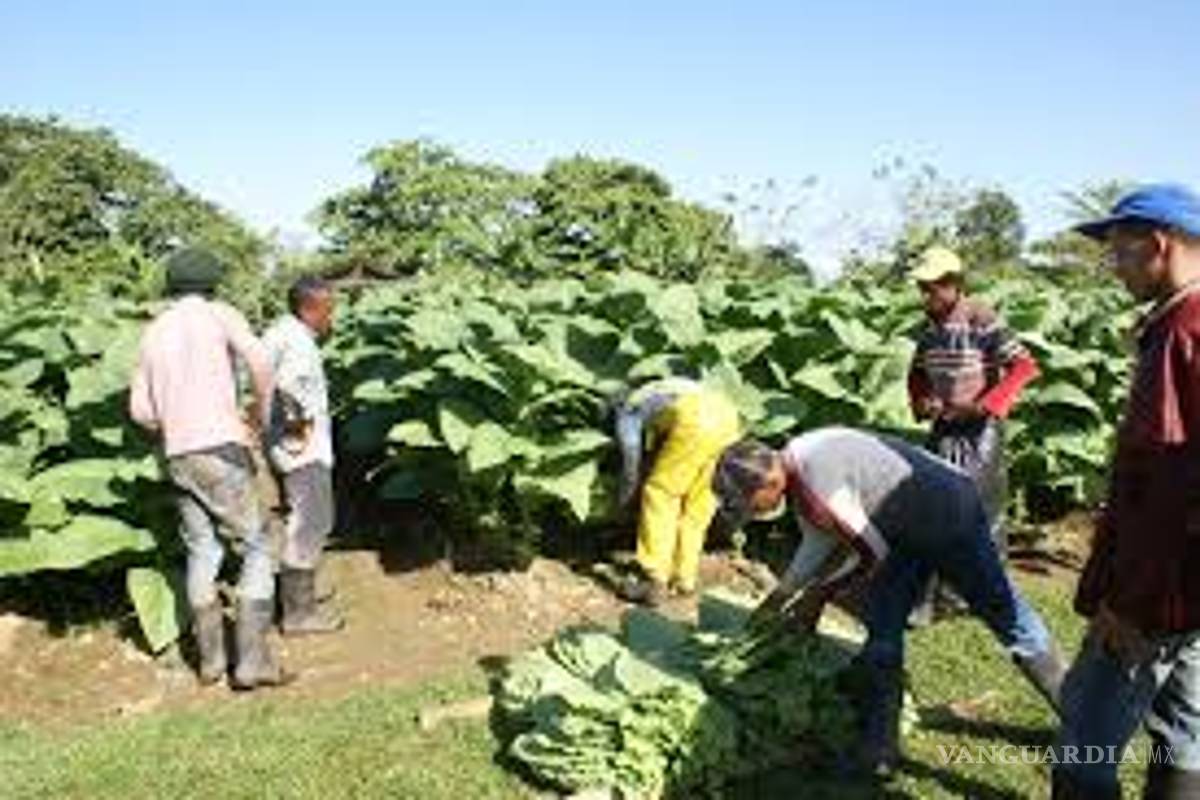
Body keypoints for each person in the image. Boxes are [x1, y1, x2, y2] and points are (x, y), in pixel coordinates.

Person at [712, 427, 1065, 773]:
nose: (752, 513)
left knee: (1004, 613)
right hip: (905, 522)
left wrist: (816, 597)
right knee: (883, 625)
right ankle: (879, 749)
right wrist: (780, 597)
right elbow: (819, 541)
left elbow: (870, 552)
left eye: (749, 505)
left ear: (769, 483)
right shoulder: (798, 459)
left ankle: (1077, 718)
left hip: (948, 509)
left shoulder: (817, 482)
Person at [1053, 184, 1200, 800]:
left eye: (1119, 251)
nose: (1114, 267)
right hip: (1190, 587)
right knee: (1184, 729)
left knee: (1085, 738)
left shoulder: (1182, 333)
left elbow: (1166, 482)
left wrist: (1128, 603)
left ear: (1159, 245)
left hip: (1156, 590)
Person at [129, 247, 293, 690]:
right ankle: (253, 663)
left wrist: (175, 421)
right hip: (220, 447)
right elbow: (260, 362)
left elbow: (141, 410)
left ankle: (211, 661)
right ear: (212, 284)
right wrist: (260, 411)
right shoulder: (220, 315)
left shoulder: (154, 329)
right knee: (257, 544)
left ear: (171, 285)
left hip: (177, 454)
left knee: (202, 549)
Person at [906, 245, 1039, 625]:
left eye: (932, 287)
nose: (925, 295)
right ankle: (938, 596)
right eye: (922, 288)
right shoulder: (929, 329)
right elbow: (917, 373)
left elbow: (1023, 366)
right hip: (945, 425)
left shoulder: (981, 317)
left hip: (980, 430)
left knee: (980, 513)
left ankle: (982, 597)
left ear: (954, 284)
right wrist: (922, 400)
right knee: (936, 509)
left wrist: (984, 406)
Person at [613, 377, 742, 605]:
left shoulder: (629, 409)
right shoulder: (665, 389)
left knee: (660, 492)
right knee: (698, 504)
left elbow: (631, 454)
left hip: (696, 419)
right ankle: (684, 579)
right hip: (730, 421)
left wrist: (625, 500)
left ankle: (653, 578)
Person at [262, 276, 343, 636]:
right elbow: (289, 388)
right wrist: (300, 438)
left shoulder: (281, 333)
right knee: (311, 523)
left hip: (287, 444)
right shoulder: (297, 342)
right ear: (310, 309)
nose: (331, 317)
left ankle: (298, 602)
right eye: (328, 309)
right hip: (303, 451)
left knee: (301, 522)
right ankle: (299, 615)